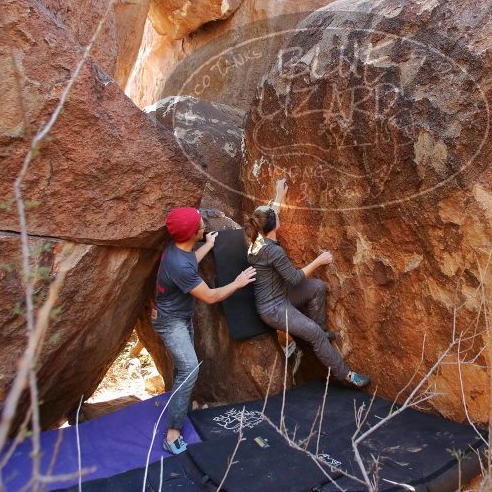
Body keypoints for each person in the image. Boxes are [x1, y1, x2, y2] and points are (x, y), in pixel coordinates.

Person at [247, 179, 370, 388]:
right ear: (273, 224)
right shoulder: (273, 251)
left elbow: (269, 216)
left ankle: (320, 334)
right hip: (274, 308)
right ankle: (349, 376)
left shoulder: (258, 238)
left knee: (317, 287)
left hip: (281, 294)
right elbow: (294, 278)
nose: (278, 214)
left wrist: (278, 195)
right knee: (312, 333)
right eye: (276, 215)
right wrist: (319, 261)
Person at [154, 207, 256, 454]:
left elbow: (190, 262)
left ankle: (182, 405)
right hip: (171, 322)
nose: (204, 226)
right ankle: (172, 435)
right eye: (201, 225)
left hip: (180, 316)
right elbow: (210, 296)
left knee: (183, 368)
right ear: (191, 233)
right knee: (189, 370)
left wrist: (208, 245)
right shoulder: (178, 264)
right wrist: (238, 282)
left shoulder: (180, 248)